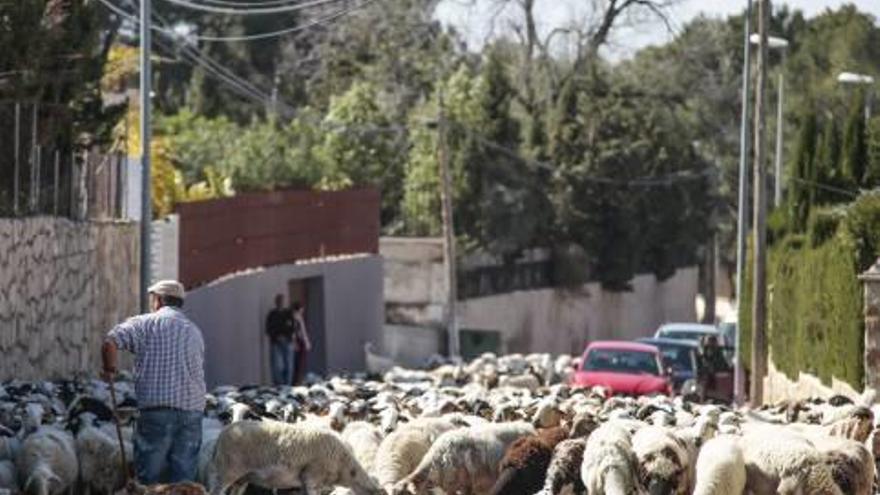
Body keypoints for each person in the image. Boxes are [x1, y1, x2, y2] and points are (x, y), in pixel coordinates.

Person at [101, 280, 205, 485]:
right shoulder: (195, 331)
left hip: (157, 412)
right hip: (191, 413)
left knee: (150, 479)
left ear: (158, 300)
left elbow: (109, 342)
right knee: (184, 480)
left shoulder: (144, 324)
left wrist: (110, 369)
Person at [266, 294, 295, 386]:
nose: (280, 303)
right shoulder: (272, 314)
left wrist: (286, 336)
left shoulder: (288, 313)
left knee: (288, 364)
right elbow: (268, 329)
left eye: (282, 301)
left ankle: (287, 384)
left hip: (287, 341)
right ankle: (279, 384)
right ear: (276, 302)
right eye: (278, 301)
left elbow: (293, 327)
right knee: (277, 365)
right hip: (275, 342)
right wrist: (276, 337)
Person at [291, 301, 312, 385]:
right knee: (298, 363)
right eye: (302, 308)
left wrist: (307, 342)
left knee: (300, 363)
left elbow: (303, 331)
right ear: (299, 309)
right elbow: (296, 331)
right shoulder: (295, 317)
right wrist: (295, 342)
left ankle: (298, 380)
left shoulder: (299, 317)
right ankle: (296, 381)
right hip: (298, 342)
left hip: (301, 341)